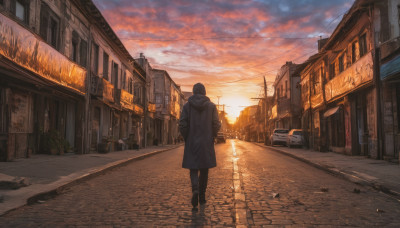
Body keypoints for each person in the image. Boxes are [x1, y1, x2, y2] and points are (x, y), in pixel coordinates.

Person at [179, 83, 221, 209]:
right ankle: (202, 197)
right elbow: (216, 124)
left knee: (193, 168)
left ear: (193, 92)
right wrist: (212, 135)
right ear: (204, 92)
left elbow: (182, 124)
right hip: (206, 142)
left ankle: (195, 189)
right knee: (204, 170)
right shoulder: (212, 106)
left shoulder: (187, 106)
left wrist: (187, 137)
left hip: (191, 141)